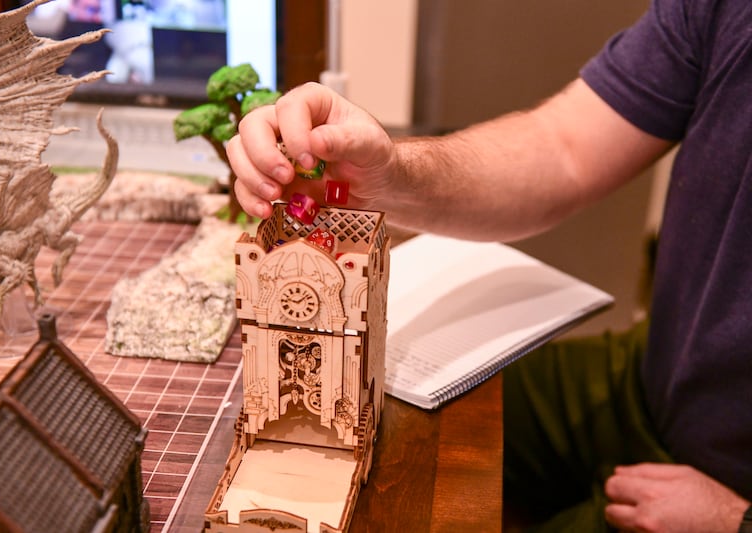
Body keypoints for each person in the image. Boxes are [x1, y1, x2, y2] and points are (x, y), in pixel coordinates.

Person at [227, 0, 752, 531]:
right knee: (420, 428)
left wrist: (739, 518)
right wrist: (387, 173)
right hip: (657, 373)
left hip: (726, 491)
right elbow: (563, 149)